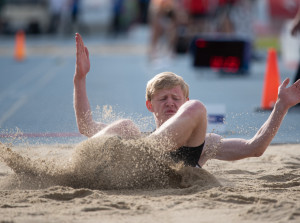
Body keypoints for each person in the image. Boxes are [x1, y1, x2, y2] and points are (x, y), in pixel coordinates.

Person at [74, 33, 300, 168]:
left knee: (197, 107)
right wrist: (80, 79)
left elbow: (255, 147)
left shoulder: (205, 144)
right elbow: (86, 126)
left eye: (175, 98)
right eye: (163, 98)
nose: (170, 103)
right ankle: (79, 166)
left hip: (174, 171)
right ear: (149, 106)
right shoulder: (136, 138)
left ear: (183, 102)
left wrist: (281, 106)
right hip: (139, 166)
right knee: (125, 126)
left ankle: (151, 151)